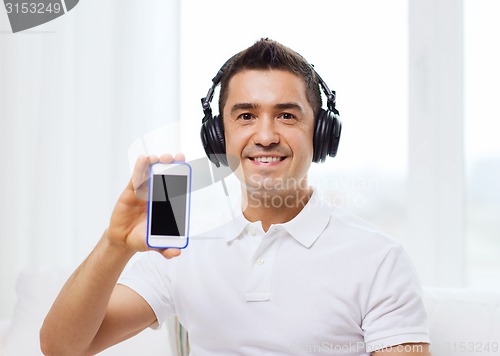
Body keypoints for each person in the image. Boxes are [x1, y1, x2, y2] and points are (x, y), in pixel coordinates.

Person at [40, 38, 431, 355]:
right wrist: (114, 245)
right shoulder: (181, 253)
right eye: (245, 116)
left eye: (287, 115)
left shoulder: (378, 258)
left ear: (322, 133)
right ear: (218, 137)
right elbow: (62, 347)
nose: (265, 135)